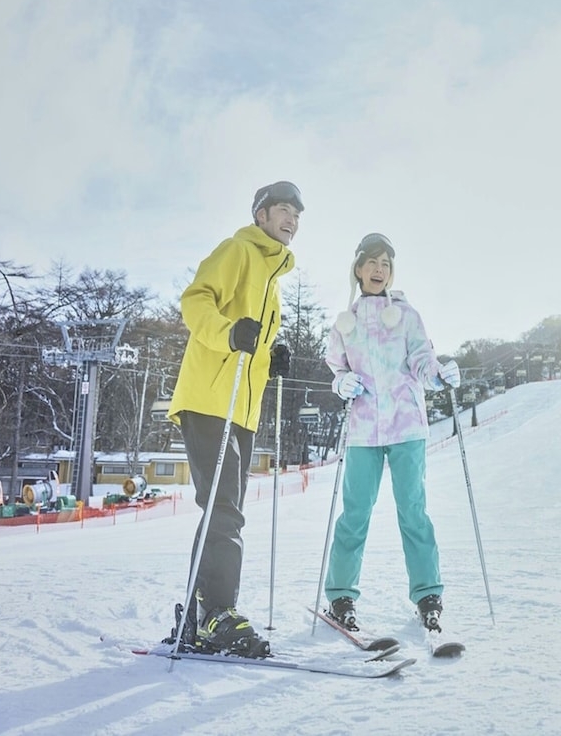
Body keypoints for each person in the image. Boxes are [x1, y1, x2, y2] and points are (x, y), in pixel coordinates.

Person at [166, 181, 301, 657]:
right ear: (261, 215)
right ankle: (215, 615)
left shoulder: (272, 281)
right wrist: (229, 334)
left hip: (240, 409)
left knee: (225, 508)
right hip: (209, 399)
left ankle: (199, 617)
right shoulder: (238, 251)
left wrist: (270, 353)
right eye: (283, 210)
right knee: (224, 507)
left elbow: (251, 342)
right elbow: (195, 300)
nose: (291, 220)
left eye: (297, 215)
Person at [324, 232, 460, 632]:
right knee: (354, 515)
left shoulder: (406, 315)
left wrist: (438, 375)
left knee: (413, 512)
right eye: (372, 262)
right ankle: (341, 597)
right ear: (358, 269)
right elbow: (337, 367)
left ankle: (428, 595)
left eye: (385, 263)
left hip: (406, 427)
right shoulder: (344, 323)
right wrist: (342, 384)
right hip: (364, 431)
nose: (379, 269)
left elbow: (421, 359)